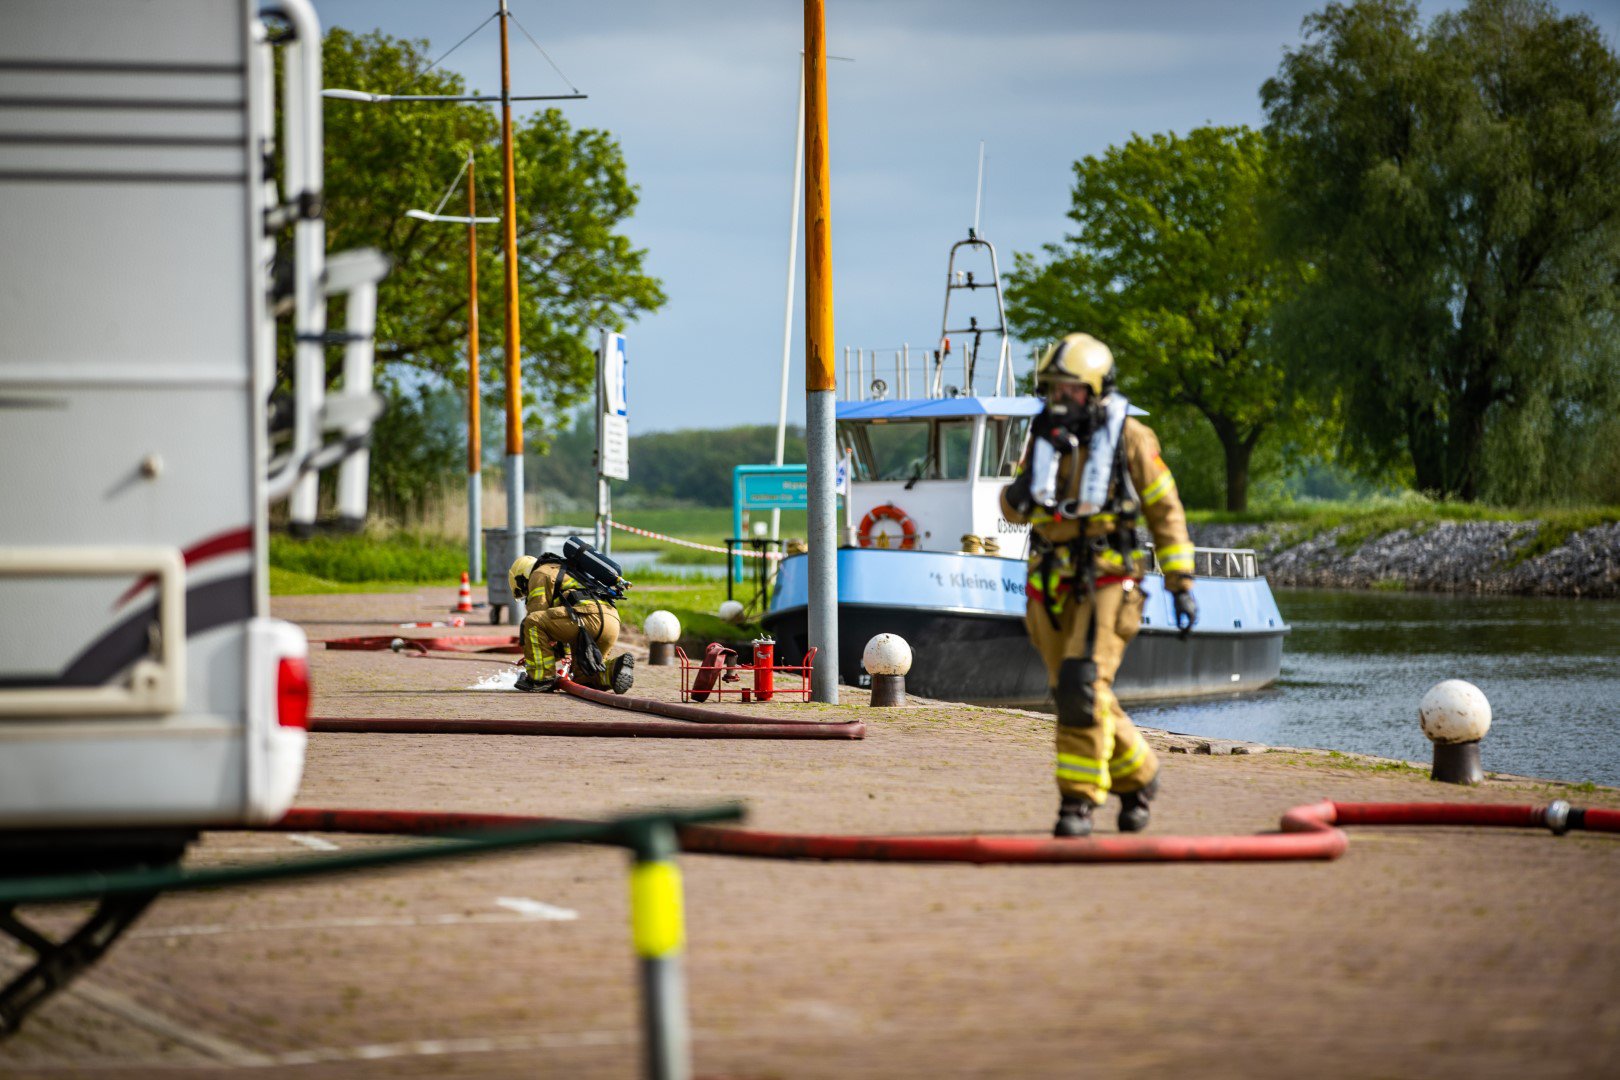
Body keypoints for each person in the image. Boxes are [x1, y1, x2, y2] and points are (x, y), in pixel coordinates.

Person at [1000, 333, 1197, 837]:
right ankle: (1139, 775)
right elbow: (1015, 511)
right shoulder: (1043, 439)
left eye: (1069, 389)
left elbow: (1165, 511)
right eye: (1052, 389)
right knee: (1078, 691)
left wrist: (1180, 581)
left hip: (1109, 579)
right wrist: (1018, 487)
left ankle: (1078, 802)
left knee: (1081, 685)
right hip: (1050, 583)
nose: (1059, 399)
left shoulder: (1131, 438)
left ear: (1095, 389)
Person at [508, 552, 635, 694]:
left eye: (523, 591)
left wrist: (533, 656)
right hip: (611, 621)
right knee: (584, 675)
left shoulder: (539, 574)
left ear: (522, 578)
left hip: (585, 618)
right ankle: (615, 669)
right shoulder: (567, 570)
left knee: (532, 622)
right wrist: (551, 653)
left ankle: (540, 679)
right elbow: (558, 627)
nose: (526, 595)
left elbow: (537, 616)